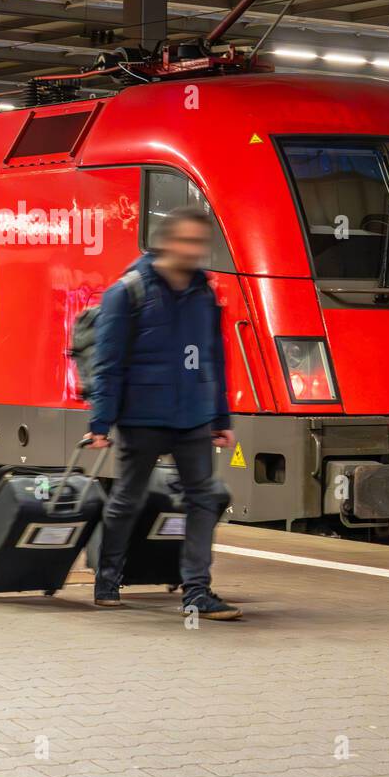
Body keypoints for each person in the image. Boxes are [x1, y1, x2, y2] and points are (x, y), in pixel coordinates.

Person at [86, 205, 241, 620]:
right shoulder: (129, 291)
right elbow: (109, 363)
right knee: (127, 500)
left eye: (200, 243)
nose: (195, 250)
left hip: (193, 416)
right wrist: (101, 423)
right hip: (142, 416)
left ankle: (196, 592)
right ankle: (107, 580)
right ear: (167, 241)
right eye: (187, 241)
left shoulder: (203, 292)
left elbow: (214, 358)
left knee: (203, 500)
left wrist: (221, 418)